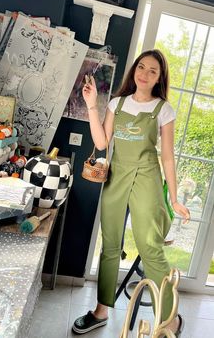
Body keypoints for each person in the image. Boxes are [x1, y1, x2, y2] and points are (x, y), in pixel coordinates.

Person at [72, 49, 190, 336]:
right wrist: (91, 105)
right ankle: (101, 311)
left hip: (148, 177)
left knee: (150, 246)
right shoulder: (117, 103)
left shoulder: (164, 109)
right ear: (134, 70)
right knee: (110, 244)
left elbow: (168, 158)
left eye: (153, 71)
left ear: (160, 78)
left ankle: (170, 319)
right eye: (142, 67)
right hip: (117, 176)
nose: (145, 73)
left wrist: (174, 198)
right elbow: (102, 143)